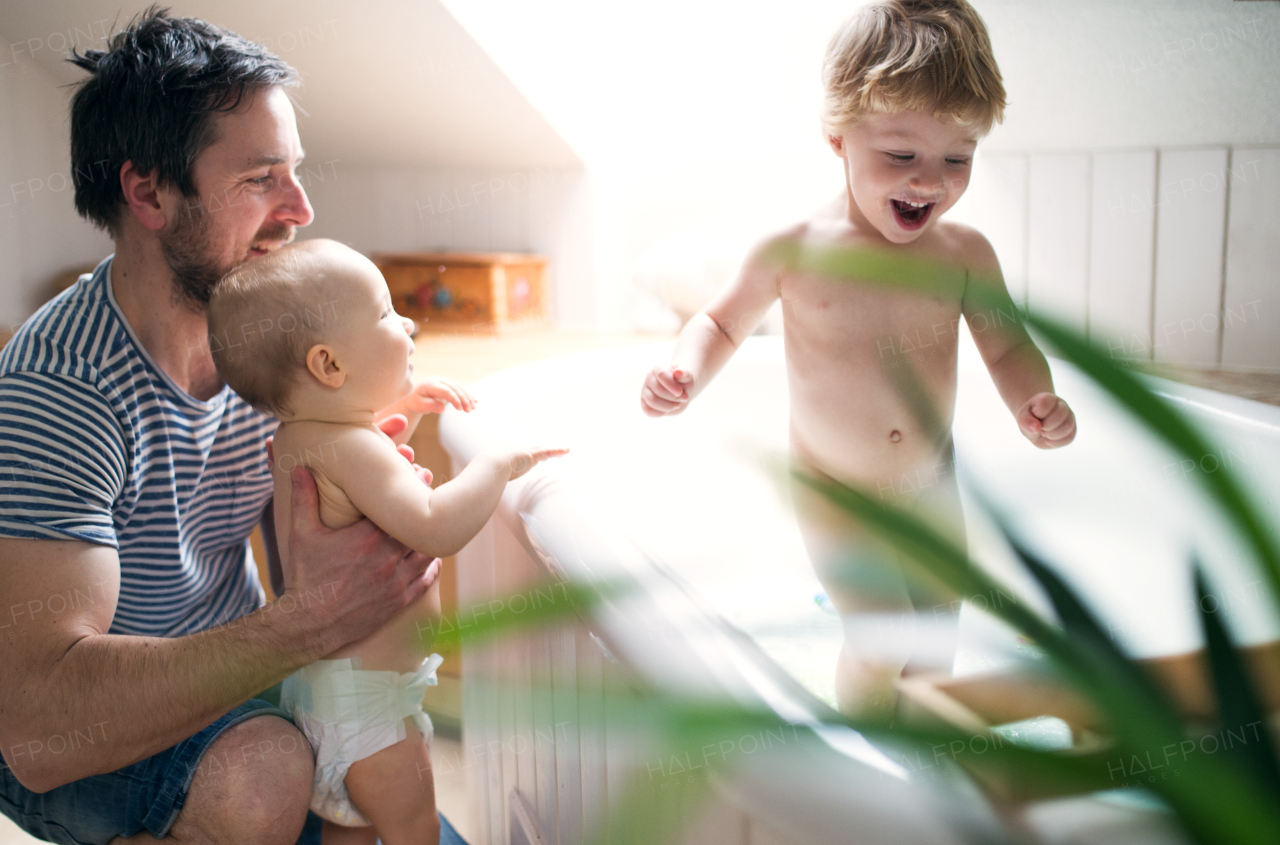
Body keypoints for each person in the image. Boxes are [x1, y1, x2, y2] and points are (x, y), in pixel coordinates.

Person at [0, 10, 465, 844]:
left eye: (294, 172)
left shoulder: (266, 340)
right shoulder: (61, 389)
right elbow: (37, 726)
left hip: (240, 674)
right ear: (147, 192)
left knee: (390, 811)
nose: (300, 208)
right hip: (78, 728)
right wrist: (307, 624)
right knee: (267, 776)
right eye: (261, 180)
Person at [639, 0, 1077, 720]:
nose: (928, 182)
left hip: (931, 485)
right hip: (833, 486)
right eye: (901, 156)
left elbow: (1007, 344)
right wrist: (684, 371)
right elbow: (718, 320)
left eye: (956, 158)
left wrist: (1036, 399)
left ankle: (925, 760)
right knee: (881, 641)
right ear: (838, 137)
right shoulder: (794, 249)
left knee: (935, 644)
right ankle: (861, 756)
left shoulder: (964, 254)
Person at [207, 239, 565, 843]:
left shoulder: (301, 437)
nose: (408, 322)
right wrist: (495, 465)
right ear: (329, 366)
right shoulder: (355, 449)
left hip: (330, 694)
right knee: (414, 829)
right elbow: (434, 524)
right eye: (385, 313)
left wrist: (405, 408)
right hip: (372, 710)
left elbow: (362, 477)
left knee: (353, 827)